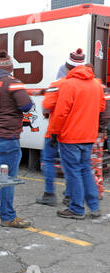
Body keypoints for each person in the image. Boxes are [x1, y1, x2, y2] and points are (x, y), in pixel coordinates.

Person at [0, 50, 34, 228]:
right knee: (8, 179)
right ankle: (8, 216)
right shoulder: (13, 83)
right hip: (7, 139)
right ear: (10, 67)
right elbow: (26, 105)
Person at [49, 63, 106, 219]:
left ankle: (77, 208)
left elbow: (60, 113)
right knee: (86, 170)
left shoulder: (68, 84)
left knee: (73, 172)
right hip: (89, 135)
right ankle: (94, 207)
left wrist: (54, 133)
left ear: (70, 68)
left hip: (71, 136)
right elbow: (101, 107)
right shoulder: (97, 84)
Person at [35, 49, 85, 206]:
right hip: (74, 132)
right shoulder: (86, 86)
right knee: (69, 164)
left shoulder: (57, 85)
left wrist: (45, 112)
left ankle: (49, 194)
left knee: (48, 160)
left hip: (55, 131)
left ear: (67, 67)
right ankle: (69, 195)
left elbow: (47, 106)